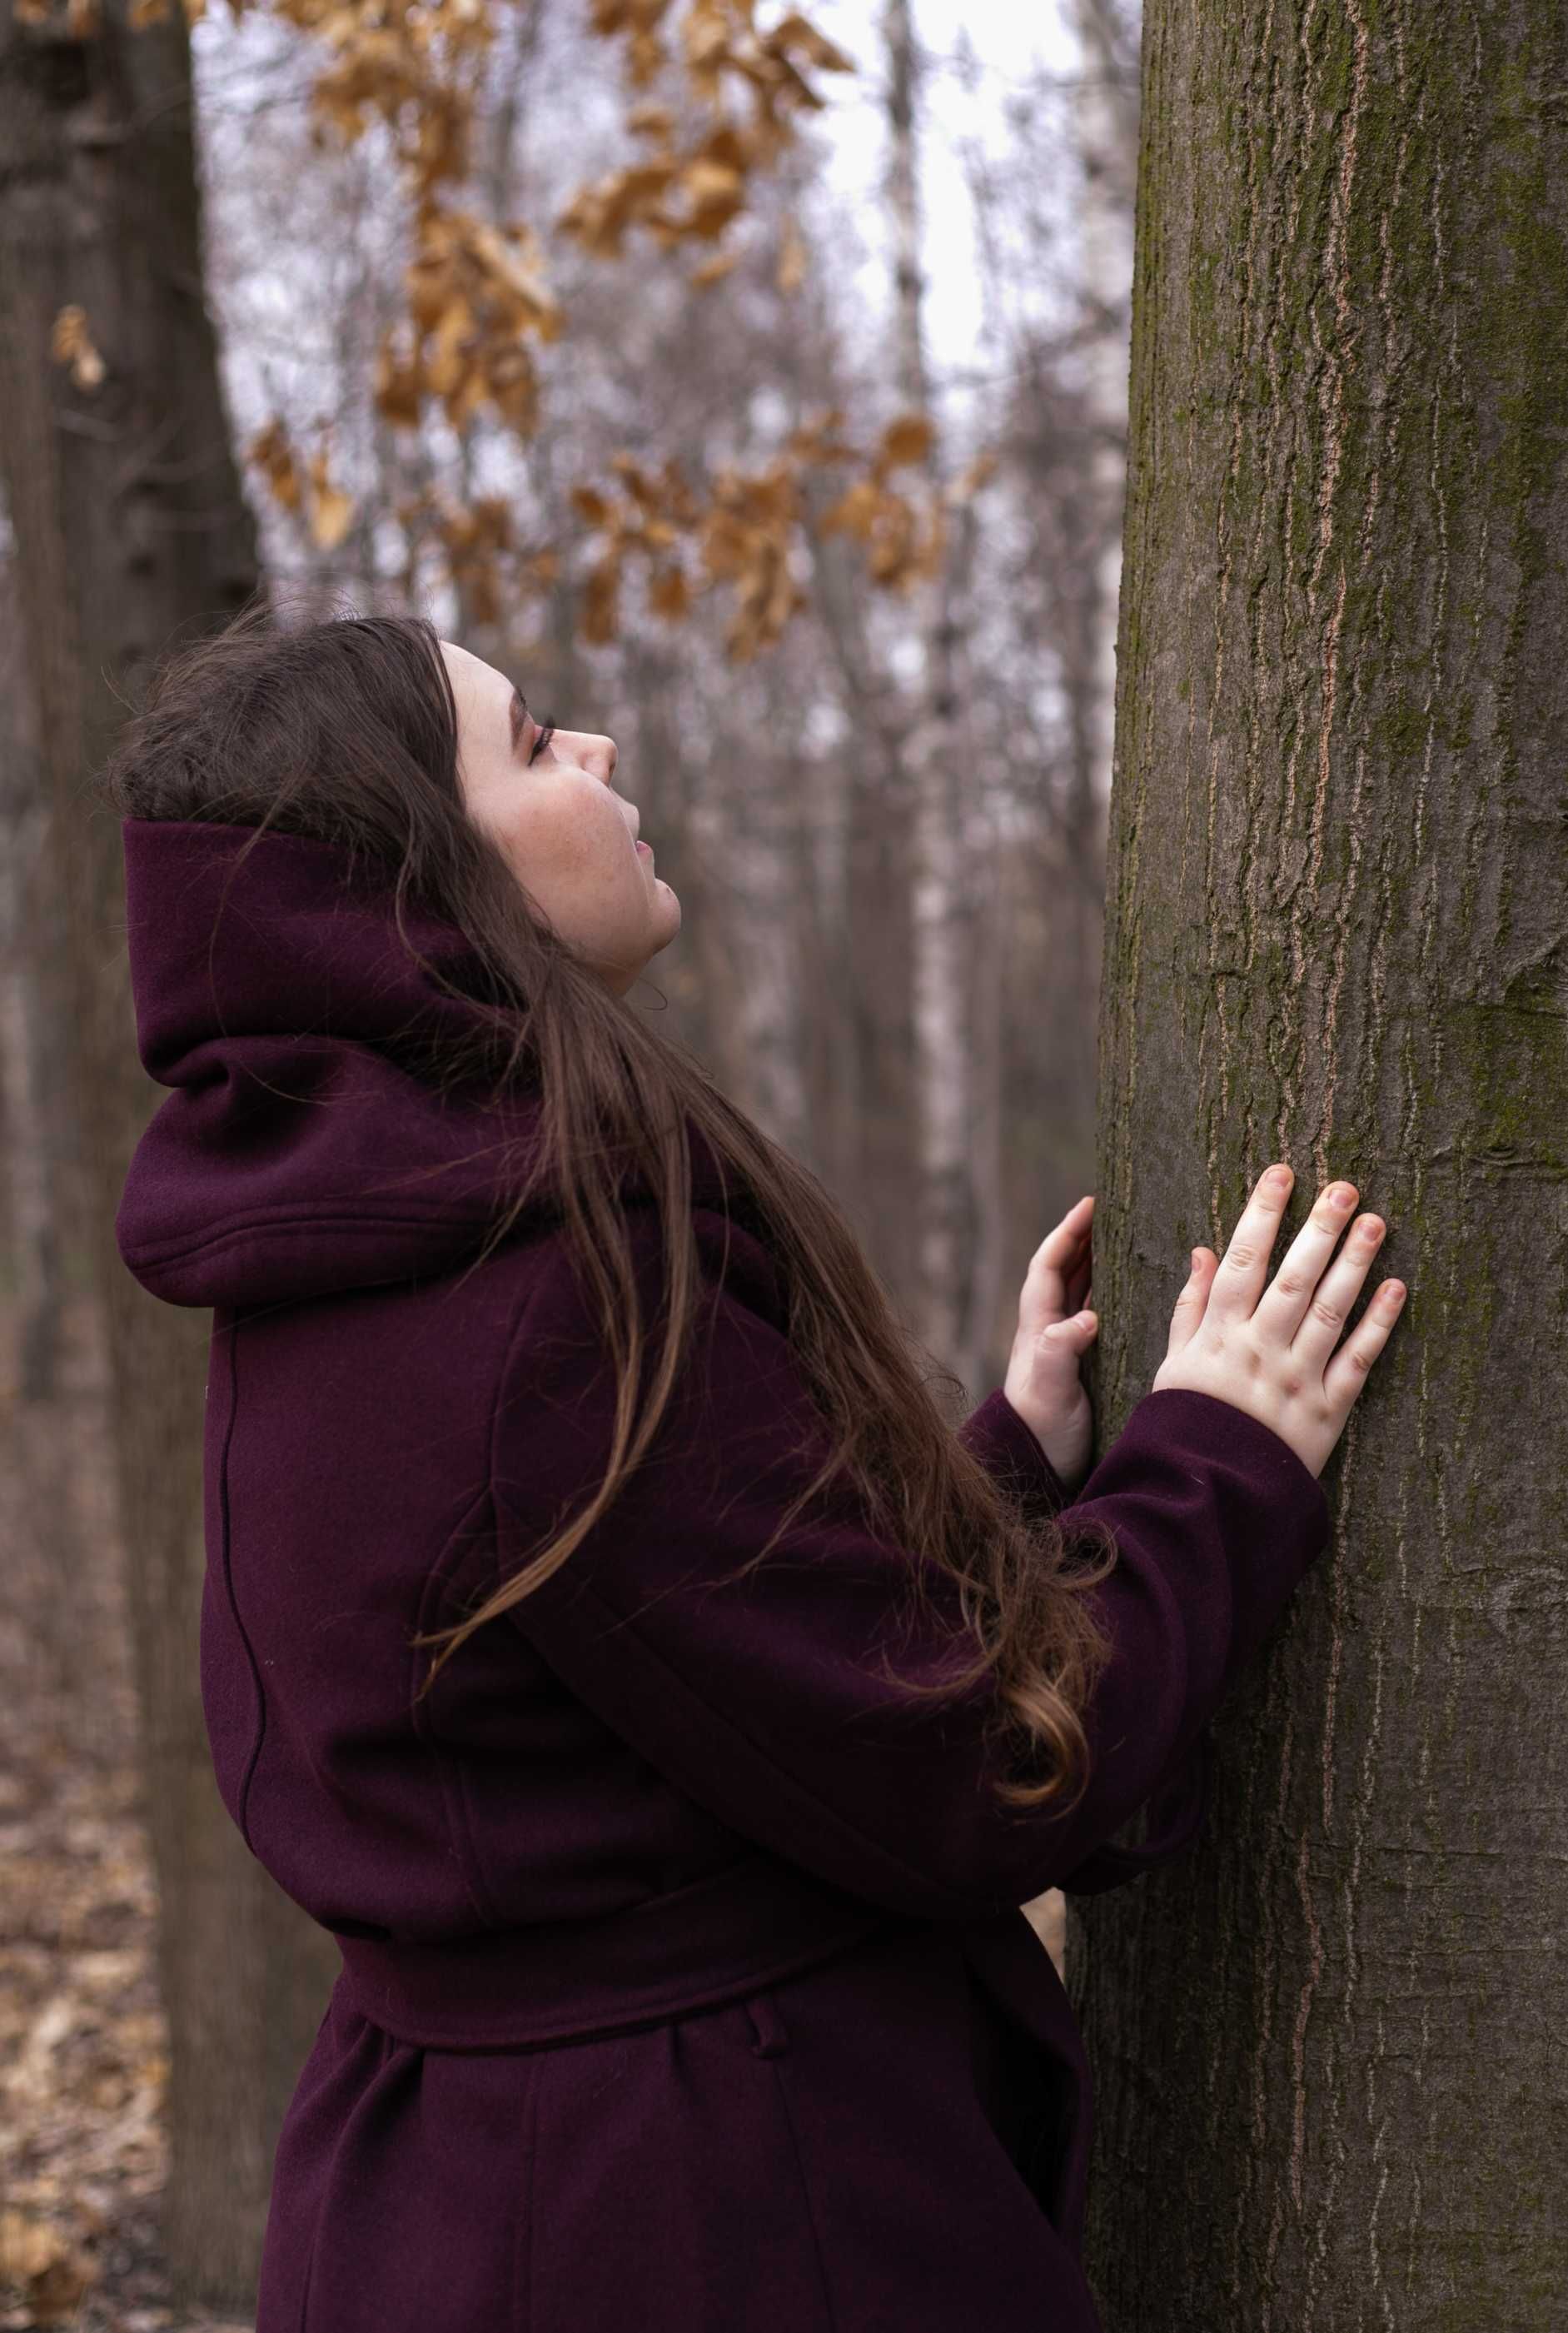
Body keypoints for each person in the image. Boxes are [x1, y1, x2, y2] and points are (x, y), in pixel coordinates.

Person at [104, 602, 1405, 2333]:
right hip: (699, 2217)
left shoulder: (351, 1259)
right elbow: (965, 1773)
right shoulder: (539, 1299)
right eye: (531, 741)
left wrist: (1004, 1477)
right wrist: (1220, 1460)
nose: (601, 754)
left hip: (465, 2191)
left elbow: (651, 1701)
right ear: (413, 891)